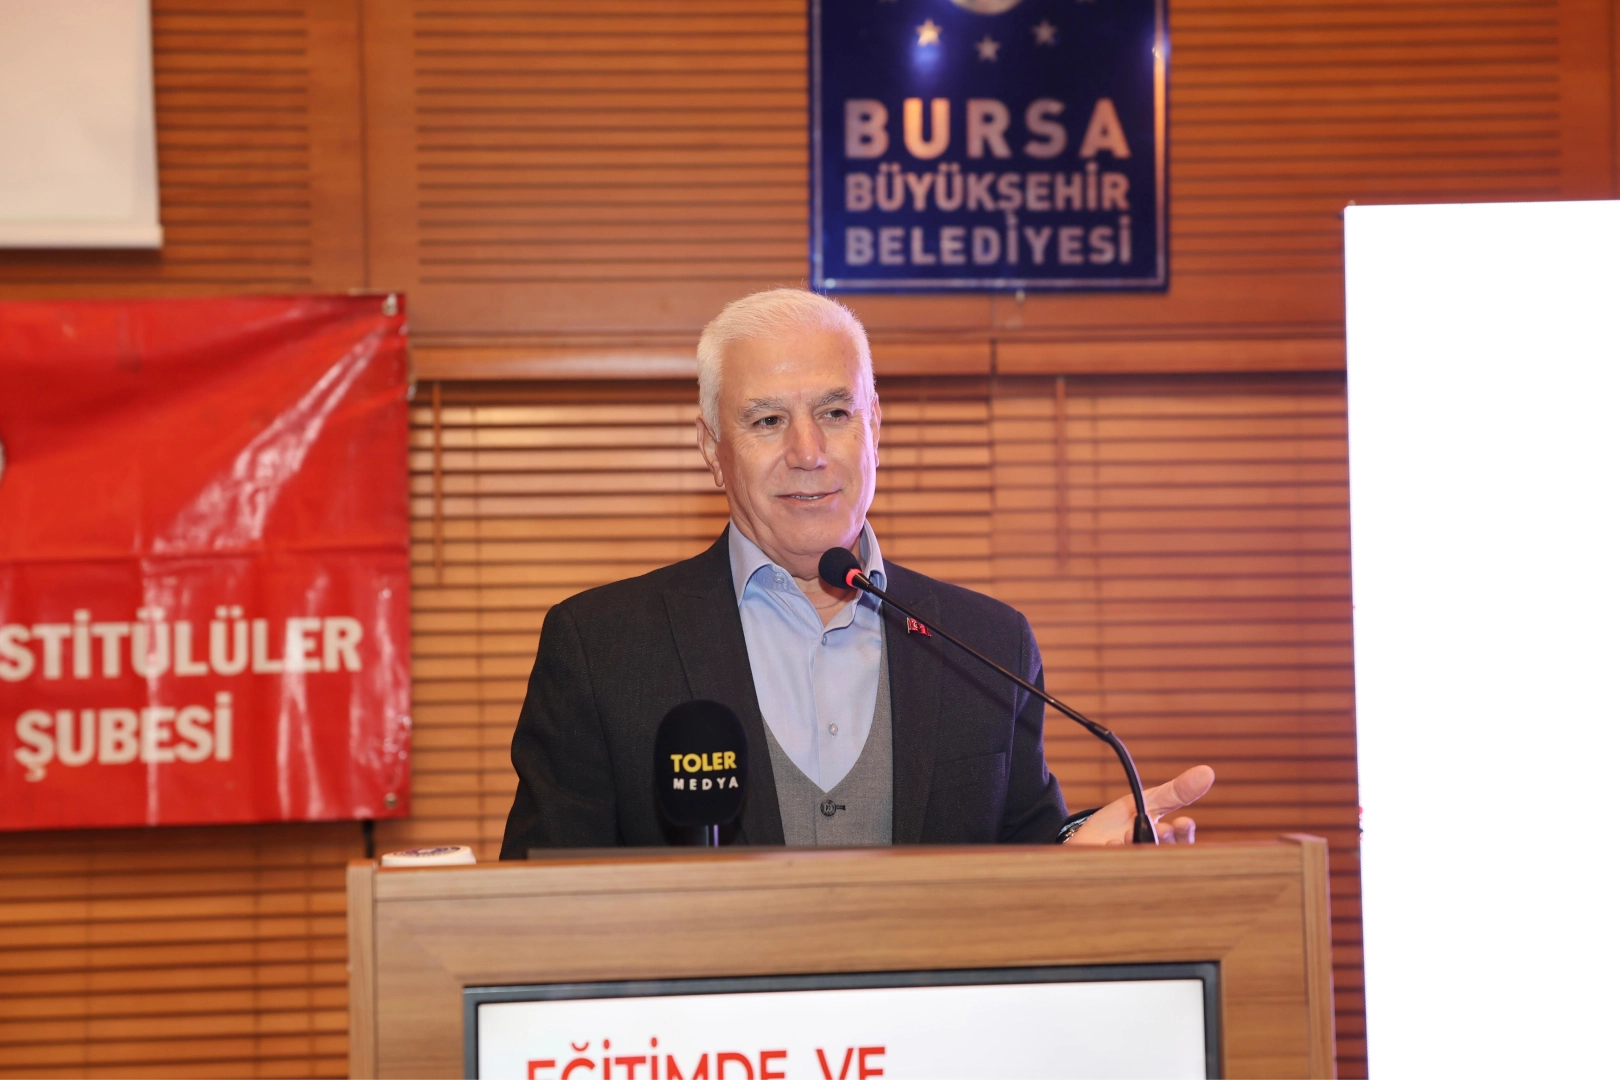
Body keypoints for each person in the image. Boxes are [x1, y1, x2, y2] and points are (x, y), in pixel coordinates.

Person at [500, 288, 1213, 855]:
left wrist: (1078, 857)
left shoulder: (989, 643)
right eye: (767, 421)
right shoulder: (600, 649)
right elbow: (541, 910)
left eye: (835, 412)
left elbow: (1020, 855)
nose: (808, 452)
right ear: (712, 449)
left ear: (875, 427)